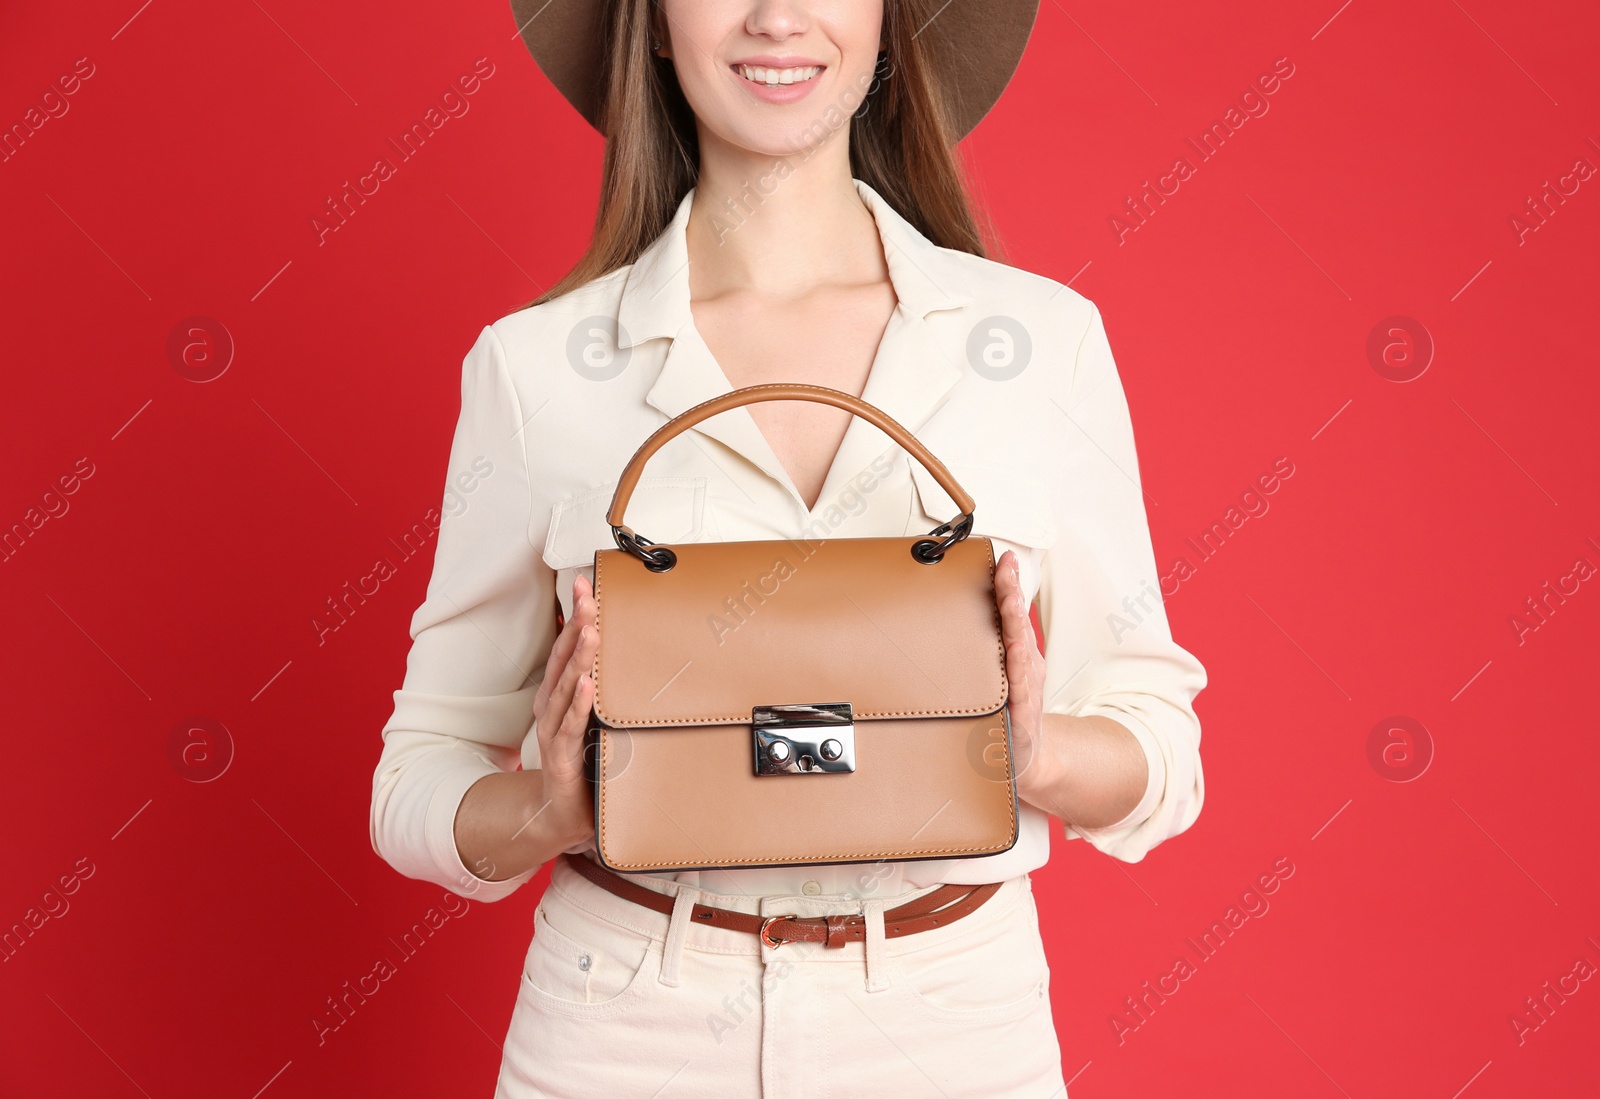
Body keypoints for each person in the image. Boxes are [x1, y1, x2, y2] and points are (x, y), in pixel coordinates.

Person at [368, 1, 1208, 1095]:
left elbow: (1163, 752)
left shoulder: (1040, 344)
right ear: (657, 25)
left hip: (953, 1028)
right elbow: (413, 778)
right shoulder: (537, 369)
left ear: (886, 19)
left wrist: (1032, 751)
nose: (775, 17)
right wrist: (548, 809)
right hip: (624, 1024)